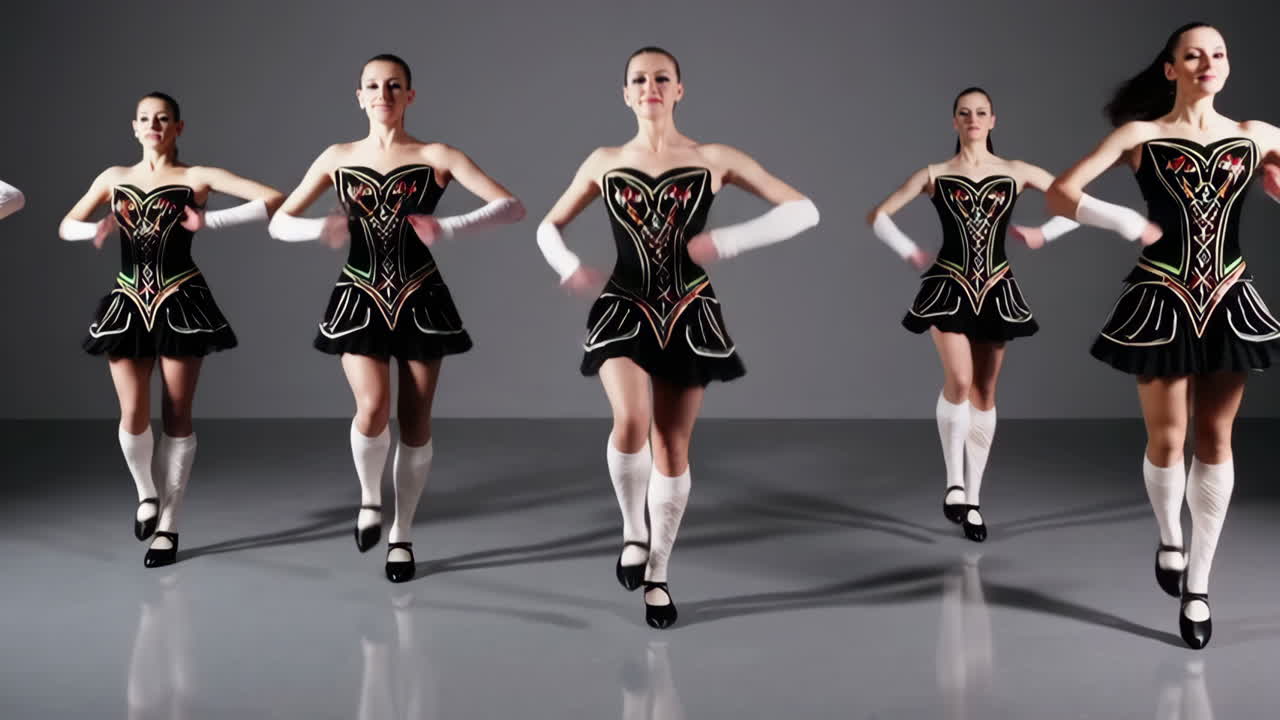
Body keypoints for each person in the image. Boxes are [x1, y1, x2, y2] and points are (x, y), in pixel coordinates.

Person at [536, 46, 819, 628]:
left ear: (679, 89)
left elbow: (804, 210)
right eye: (639, 79)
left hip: (689, 311)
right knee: (631, 420)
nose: (651, 87)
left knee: (671, 446)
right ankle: (632, 531)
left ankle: (658, 575)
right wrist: (568, 265)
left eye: (661, 78)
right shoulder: (604, 160)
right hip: (623, 305)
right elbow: (548, 225)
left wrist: (728, 241)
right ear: (625, 93)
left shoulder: (713, 157)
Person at [1046, 22, 1280, 648]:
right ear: (1171, 69)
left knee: (1216, 438)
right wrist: (1122, 219)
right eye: (1193, 55)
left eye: (1218, 53)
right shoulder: (1140, 135)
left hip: (1229, 297)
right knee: (1168, 438)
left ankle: (1198, 587)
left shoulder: (1258, 135)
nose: (1208, 63)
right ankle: (1170, 537)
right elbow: (1061, 194)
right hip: (1161, 297)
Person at [269, 54, 525, 583]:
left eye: (393, 85)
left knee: (415, 420)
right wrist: (319, 230)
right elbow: (279, 223)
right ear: (359, 96)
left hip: (421, 297)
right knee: (372, 407)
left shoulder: (437, 155)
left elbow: (510, 206)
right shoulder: (337, 157)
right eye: (373, 86)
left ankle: (402, 534)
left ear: (410, 95)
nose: (382, 94)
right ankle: (370, 498)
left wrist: (448, 228)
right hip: (358, 297)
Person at [59, 91, 284, 567]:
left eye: (162, 118)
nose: (153, 125)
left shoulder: (196, 177)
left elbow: (274, 199)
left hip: (181, 300)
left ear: (178, 127)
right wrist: (95, 230)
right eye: (145, 118)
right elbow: (66, 225)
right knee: (132, 412)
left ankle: (168, 527)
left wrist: (210, 221)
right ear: (134, 127)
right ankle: (146, 492)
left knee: (177, 413)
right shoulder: (114, 178)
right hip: (128, 302)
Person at [868, 87, 1078, 543]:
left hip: (996, 290)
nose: (973, 119)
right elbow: (880, 214)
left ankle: (975, 501)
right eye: (965, 113)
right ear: (954, 122)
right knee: (960, 380)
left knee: (984, 391)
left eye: (981, 112)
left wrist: (1044, 233)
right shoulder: (935, 174)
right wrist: (906, 249)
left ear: (993, 120)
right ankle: (954, 483)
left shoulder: (1016, 171)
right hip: (948, 287)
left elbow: (1077, 202)